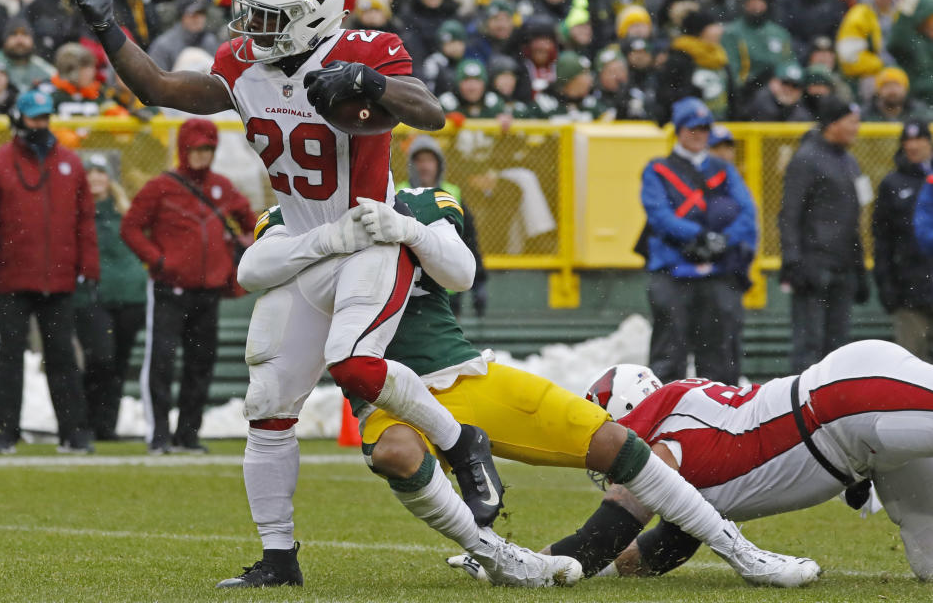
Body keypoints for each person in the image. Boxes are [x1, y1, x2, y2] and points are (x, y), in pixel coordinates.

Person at [67, 0, 504, 588]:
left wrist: (369, 84)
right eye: (252, 14)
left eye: (270, 16)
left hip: (364, 239)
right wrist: (109, 29)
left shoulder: (364, 49)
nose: (253, 30)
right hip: (301, 248)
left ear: (314, 13)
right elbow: (158, 87)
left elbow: (431, 113)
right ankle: (277, 558)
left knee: (353, 365)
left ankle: (463, 442)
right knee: (268, 404)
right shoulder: (243, 61)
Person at [239, 188, 821, 589]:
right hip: (385, 391)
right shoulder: (292, 214)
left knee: (615, 445)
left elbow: (459, 271)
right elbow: (251, 271)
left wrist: (405, 227)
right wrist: (326, 239)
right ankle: (499, 555)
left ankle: (741, 551)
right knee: (394, 454)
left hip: (463, 372)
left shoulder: (417, 201)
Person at [454, 340, 933, 582]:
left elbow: (598, 540)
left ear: (622, 416)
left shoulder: (663, 442)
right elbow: (666, 547)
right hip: (855, 429)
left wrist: (515, 562)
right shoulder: (687, 431)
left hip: (843, 406)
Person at [120, 118, 257, 454]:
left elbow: (251, 221)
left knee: (201, 363)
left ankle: (188, 434)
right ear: (184, 149)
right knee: (162, 362)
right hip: (170, 289)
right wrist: (159, 261)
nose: (202, 156)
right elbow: (131, 228)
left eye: (208, 149)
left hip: (208, 290)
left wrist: (244, 245)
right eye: (197, 149)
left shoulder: (222, 187)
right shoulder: (161, 187)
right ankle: (160, 435)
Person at [0, 89, 98, 454]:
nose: (41, 125)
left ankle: (73, 432)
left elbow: (85, 221)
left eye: (45, 117)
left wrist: (88, 269)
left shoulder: (70, 164)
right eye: (34, 118)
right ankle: (6, 433)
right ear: (18, 119)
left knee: (62, 358)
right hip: (11, 278)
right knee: (9, 358)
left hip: (57, 279)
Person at [639, 97, 757, 385]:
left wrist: (722, 241)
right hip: (672, 269)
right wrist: (697, 236)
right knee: (669, 354)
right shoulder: (657, 169)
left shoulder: (722, 168)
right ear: (679, 130)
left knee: (720, 359)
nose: (699, 134)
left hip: (717, 271)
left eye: (704, 128)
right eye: (692, 128)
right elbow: (658, 214)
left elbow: (747, 211)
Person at [779, 97, 871, 374]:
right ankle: (802, 413)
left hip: (842, 265)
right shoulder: (807, 158)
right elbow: (789, 214)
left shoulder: (848, 159)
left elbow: (854, 217)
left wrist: (858, 266)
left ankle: (833, 412)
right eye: (851, 122)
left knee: (838, 348)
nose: (857, 128)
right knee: (809, 344)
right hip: (814, 265)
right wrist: (794, 261)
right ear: (833, 124)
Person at [75, 153, 147, 441]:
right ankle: (86, 421)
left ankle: (106, 427)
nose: (95, 177)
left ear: (109, 177)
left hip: (130, 296)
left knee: (118, 363)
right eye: (89, 172)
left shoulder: (126, 212)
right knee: (100, 360)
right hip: (94, 296)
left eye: (100, 172)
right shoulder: (75, 212)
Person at [399, 134, 488, 318]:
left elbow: (469, 240)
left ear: (438, 164)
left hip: (447, 287)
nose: (424, 166)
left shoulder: (452, 193)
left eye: (429, 160)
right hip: (409, 288)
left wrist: (479, 282)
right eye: (419, 160)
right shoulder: (399, 192)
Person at [874, 121, 933, 361]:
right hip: (910, 286)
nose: (913, 145)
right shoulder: (892, 183)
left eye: (919, 139)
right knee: (911, 365)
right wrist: (886, 283)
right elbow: (882, 239)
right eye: (908, 141)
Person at [0, 18, 54, 94]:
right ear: (5, 40)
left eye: (25, 34)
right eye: (14, 34)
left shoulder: (39, 65)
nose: (19, 39)